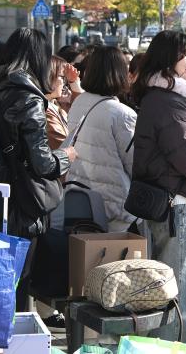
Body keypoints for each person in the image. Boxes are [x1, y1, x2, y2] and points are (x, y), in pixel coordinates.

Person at [131, 30, 186, 344]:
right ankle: (175, 349)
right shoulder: (167, 101)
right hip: (178, 207)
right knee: (182, 296)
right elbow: (185, 150)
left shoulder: (162, 96)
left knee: (171, 293)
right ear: (170, 59)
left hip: (171, 205)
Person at [0, 28, 74, 311]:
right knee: (18, 279)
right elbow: (43, 163)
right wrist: (67, 156)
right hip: (20, 201)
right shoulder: (29, 97)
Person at [66, 46, 138, 232]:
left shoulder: (79, 103)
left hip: (81, 198)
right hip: (114, 205)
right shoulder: (122, 114)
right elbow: (135, 164)